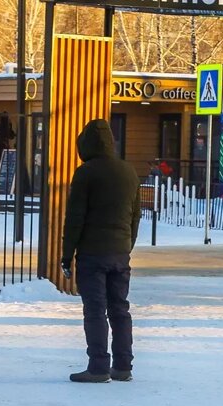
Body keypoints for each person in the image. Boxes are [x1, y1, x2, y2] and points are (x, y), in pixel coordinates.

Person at [61, 119, 141, 383]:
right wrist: (126, 246)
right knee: (120, 309)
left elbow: (75, 218)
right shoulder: (129, 172)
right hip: (120, 254)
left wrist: (66, 254)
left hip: (92, 254)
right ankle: (123, 367)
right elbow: (136, 216)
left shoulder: (86, 173)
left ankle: (98, 367)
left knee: (95, 310)